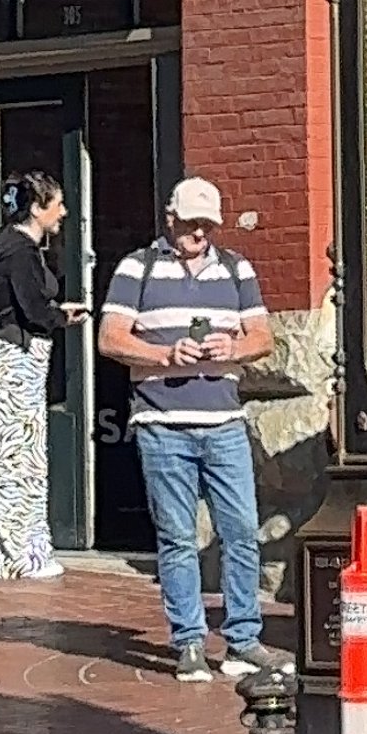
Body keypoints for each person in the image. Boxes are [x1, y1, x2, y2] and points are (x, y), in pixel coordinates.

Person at [99, 176, 271, 685]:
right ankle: (189, 642)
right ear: (169, 218)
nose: (199, 232)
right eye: (191, 222)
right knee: (176, 538)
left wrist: (233, 349)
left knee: (241, 533)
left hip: (224, 422)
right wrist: (164, 356)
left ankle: (243, 638)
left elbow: (263, 335)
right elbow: (111, 338)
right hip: (162, 424)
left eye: (207, 224)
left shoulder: (236, 267)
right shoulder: (138, 266)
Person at [0, 172, 79, 583]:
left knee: (19, 454)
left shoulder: (10, 250)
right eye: (58, 204)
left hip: (11, 354)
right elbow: (34, 310)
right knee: (19, 459)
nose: (64, 213)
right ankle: (23, 555)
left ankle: (15, 552)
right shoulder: (20, 253)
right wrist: (61, 316)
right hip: (15, 356)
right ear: (37, 208)